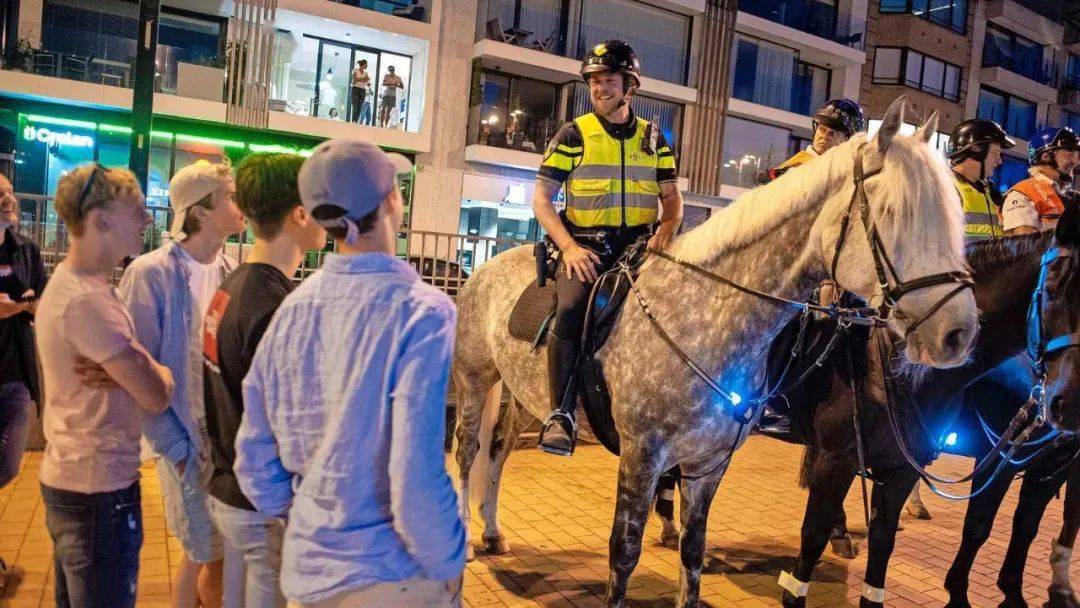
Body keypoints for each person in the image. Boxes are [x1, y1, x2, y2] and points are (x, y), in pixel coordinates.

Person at [234, 139, 465, 607]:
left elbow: (254, 460)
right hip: (394, 574)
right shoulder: (422, 311)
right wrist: (449, 559)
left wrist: (312, 516)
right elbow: (415, 477)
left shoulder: (293, 308)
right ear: (390, 202)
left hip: (311, 573)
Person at [534, 40, 683, 456]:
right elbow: (542, 200)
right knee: (570, 307)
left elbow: (671, 199)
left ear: (629, 86)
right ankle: (560, 415)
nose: (600, 89)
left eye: (609, 81)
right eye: (595, 82)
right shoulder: (573, 134)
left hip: (639, 251)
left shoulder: (654, 139)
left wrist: (666, 230)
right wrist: (567, 248)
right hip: (586, 249)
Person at [35, 163, 174, 608]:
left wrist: (135, 361)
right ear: (101, 220)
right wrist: (153, 368)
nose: (148, 219)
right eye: (136, 209)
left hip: (75, 482)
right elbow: (157, 393)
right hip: (98, 494)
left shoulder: (82, 288)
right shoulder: (89, 302)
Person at [119, 161, 246, 608]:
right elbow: (134, 373)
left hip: (225, 443)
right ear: (201, 212)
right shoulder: (151, 273)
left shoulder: (233, 270)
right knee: (210, 556)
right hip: (184, 440)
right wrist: (174, 453)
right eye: (230, 196)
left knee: (207, 556)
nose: (241, 203)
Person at [202, 153, 326, 608]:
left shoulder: (231, 287)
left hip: (228, 491)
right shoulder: (276, 306)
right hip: (261, 505)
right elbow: (294, 428)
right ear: (299, 213)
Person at [0, 174, 45, 586]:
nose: (8, 199)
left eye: (9, 192)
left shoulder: (26, 251)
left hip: (14, 376)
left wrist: (17, 309)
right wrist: (19, 306)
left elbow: (40, 303)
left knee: (7, 466)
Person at [945, 119, 1015, 242]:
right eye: (996, 153)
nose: (999, 161)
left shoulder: (987, 192)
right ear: (976, 149)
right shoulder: (945, 190)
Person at [1003, 126, 1080, 235]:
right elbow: (1024, 248)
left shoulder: (1071, 198)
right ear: (1046, 156)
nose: (1075, 162)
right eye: (1069, 154)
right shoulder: (1023, 195)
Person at [769, 98, 864, 181]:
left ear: (847, 140)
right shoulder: (796, 169)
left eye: (833, 133)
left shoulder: (847, 174)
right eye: (822, 129)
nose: (825, 135)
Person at [349, 59, 371, 124]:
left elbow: (368, 82)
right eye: (365, 64)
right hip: (355, 89)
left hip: (363, 90)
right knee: (355, 105)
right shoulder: (355, 70)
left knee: (360, 107)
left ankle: (356, 121)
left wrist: (360, 79)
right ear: (362, 64)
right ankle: (353, 120)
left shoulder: (366, 72)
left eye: (366, 65)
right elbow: (355, 80)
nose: (366, 66)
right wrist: (363, 79)